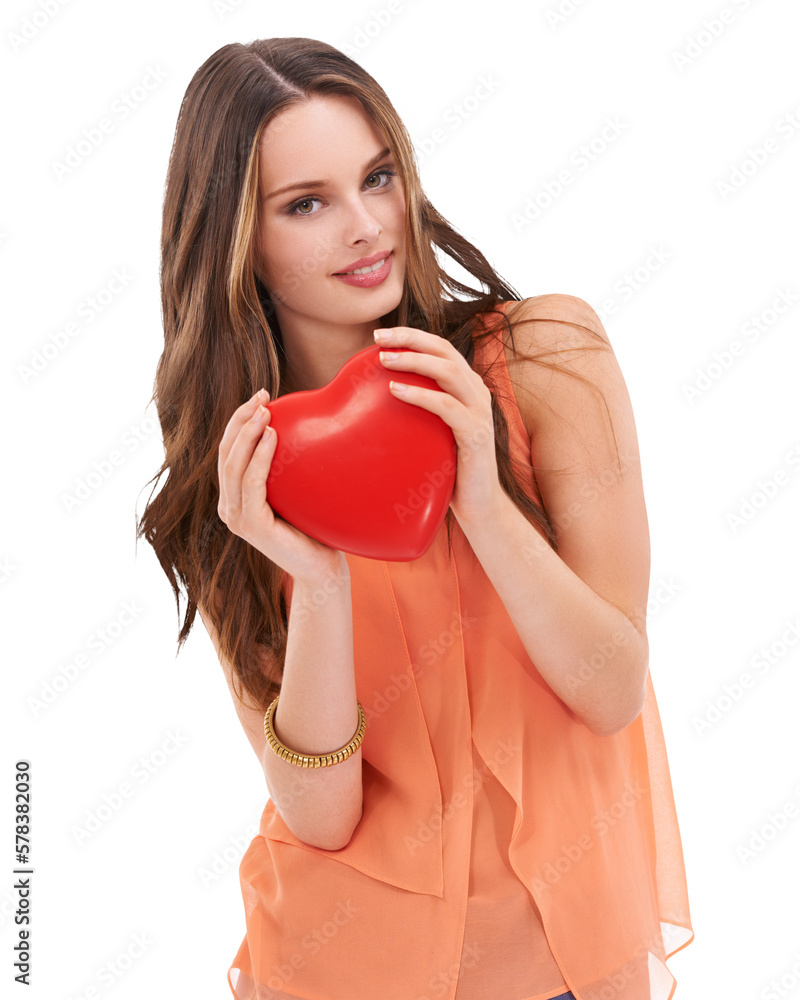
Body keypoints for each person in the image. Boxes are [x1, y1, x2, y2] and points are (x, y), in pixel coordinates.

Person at [137, 37, 694, 1000]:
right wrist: (316, 581)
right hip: (335, 966)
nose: (366, 226)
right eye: (305, 203)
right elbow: (321, 814)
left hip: (560, 964)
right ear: (240, 241)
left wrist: (479, 495)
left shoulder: (543, 360)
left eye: (378, 176)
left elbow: (613, 688)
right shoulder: (235, 481)